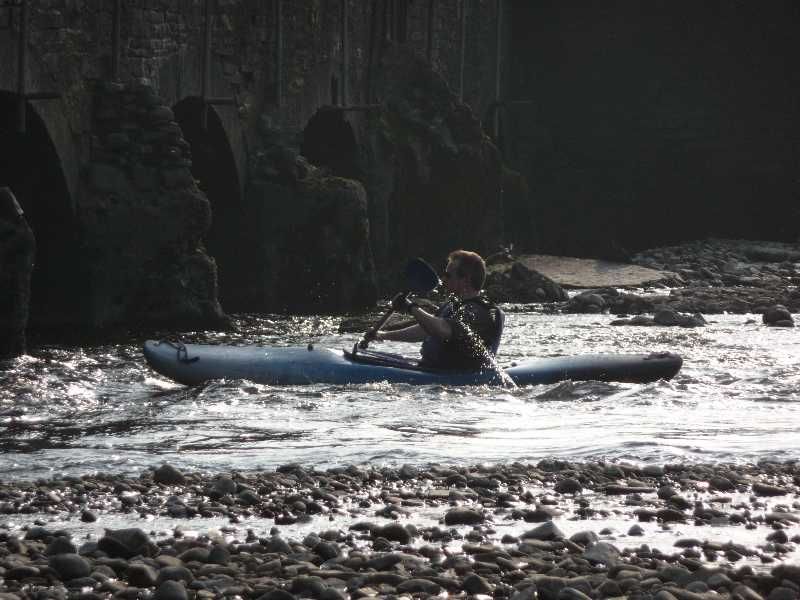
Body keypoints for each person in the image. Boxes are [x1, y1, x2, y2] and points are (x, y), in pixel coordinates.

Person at [366, 250, 504, 371]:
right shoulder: (452, 305)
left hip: (455, 378)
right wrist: (382, 335)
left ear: (465, 280)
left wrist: (411, 307)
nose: (443, 279)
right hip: (434, 369)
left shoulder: (477, 312)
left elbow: (443, 330)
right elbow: (425, 330)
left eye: (448, 275)